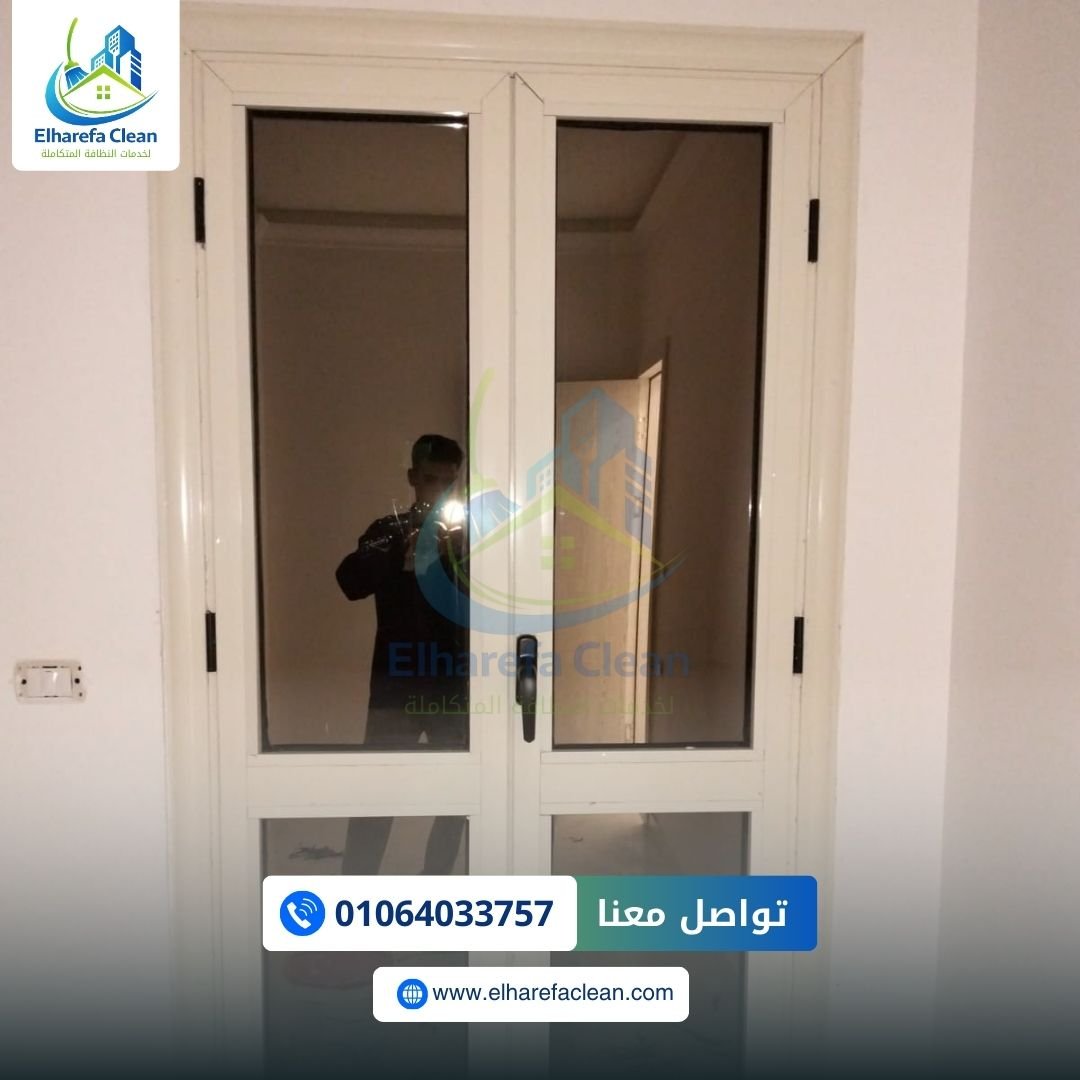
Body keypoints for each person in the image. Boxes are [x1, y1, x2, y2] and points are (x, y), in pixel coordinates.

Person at [335, 434, 469, 877]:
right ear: (413, 478)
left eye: (449, 482)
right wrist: (400, 547)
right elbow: (350, 581)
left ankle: (435, 891)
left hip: (452, 687)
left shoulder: (469, 535)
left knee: (458, 797)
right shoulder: (388, 530)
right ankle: (355, 898)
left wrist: (457, 556)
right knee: (377, 794)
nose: (439, 491)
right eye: (431, 480)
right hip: (396, 686)